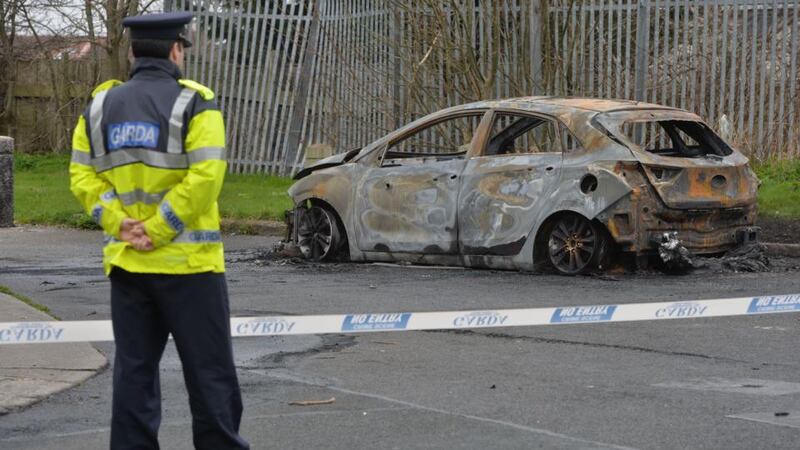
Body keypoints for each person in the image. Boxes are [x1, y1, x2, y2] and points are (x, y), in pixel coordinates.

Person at [69, 12, 249, 450]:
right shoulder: (195, 103)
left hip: (129, 267)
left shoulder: (99, 107)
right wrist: (161, 228)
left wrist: (122, 224)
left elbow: (82, 178)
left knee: (134, 377)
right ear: (176, 50)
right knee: (210, 378)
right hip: (191, 269)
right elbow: (206, 177)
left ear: (131, 53)